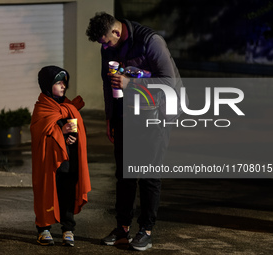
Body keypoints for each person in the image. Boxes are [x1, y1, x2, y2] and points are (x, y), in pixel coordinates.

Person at [86, 12, 184, 251]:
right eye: (102, 44)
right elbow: (107, 83)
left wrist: (132, 83)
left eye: (107, 41)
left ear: (117, 32)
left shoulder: (151, 42)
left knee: (149, 175)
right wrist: (110, 117)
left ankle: (146, 230)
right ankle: (122, 227)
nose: (106, 47)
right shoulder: (108, 48)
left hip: (157, 113)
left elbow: (169, 81)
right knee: (125, 174)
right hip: (127, 114)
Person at [30, 65, 91, 247]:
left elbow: (77, 130)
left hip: (68, 161)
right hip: (49, 163)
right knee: (47, 191)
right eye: (58, 83)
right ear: (47, 85)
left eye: (64, 82)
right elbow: (38, 134)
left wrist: (72, 138)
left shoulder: (68, 106)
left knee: (67, 193)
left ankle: (68, 229)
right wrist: (60, 131)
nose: (63, 86)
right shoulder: (42, 108)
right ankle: (44, 229)